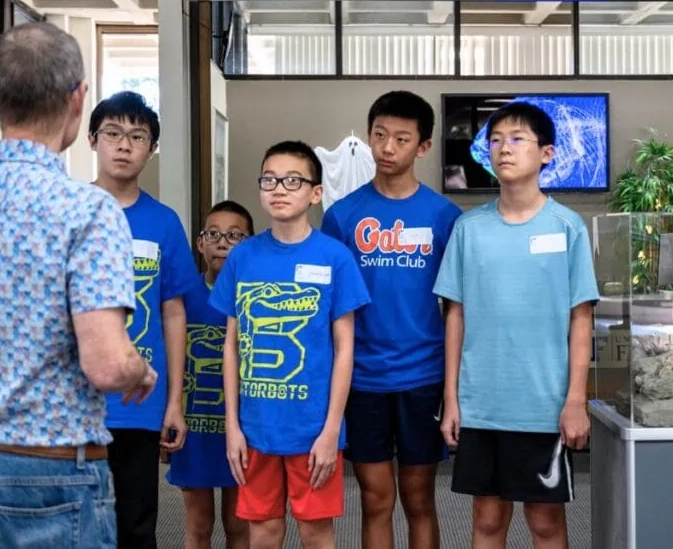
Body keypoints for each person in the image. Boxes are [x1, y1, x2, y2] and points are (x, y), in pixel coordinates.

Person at [0, 22, 157, 548]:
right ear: (78, 98)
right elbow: (107, 364)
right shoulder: (87, 210)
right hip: (45, 475)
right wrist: (139, 370)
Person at [433, 102, 599, 549]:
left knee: (545, 522)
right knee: (486, 519)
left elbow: (580, 317)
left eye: (517, 139)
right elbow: (455, 315)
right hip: (481, 405)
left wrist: (576, 401)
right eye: (495, 140)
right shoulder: (469, 229)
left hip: (542, 406)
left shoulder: (567, 227)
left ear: (547, 153)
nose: (503, 148)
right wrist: (451, 399)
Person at [210, 141, 370, 549]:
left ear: (315, 193)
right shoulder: (243, 257)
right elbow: (231, 346)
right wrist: (232, 426)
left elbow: (345, 350)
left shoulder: (335, 257)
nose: (279, 188)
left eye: (292, 180)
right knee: (262, 529)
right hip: (255, 428)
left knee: (315, 530)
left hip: (312, 428)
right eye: (269, 179)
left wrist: (331, 430)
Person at [321, 91, 462, 549]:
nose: (387, 147)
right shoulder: (341, 217)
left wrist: (453, 389)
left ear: (423, 147)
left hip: (424, 376)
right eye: (379, 135)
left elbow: (456, 308)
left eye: (402, 139)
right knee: (375, 499)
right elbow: (332, 309)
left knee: (419, 499)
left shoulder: (445, 217)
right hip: (362, 377)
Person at [89, 91, 198, 548]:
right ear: (93, 139)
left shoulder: (164, 222)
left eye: (137, 137)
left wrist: (175, 402)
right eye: (113, 133)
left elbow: (174, 312)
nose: (124, 145)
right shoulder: (68, 210)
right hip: (75, 402)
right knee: (77, 524)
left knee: (136, 524)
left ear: (151, 149)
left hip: (140, 401)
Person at [167, 201, 255, 549]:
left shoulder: (254, 294)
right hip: (194, 428)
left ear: (249, 243)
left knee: (238, 524)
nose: (222, 243)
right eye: (213, 234)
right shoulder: (183, 295)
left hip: (241, 430)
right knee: (198, 523)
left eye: (234, 235)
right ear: (200, 243)